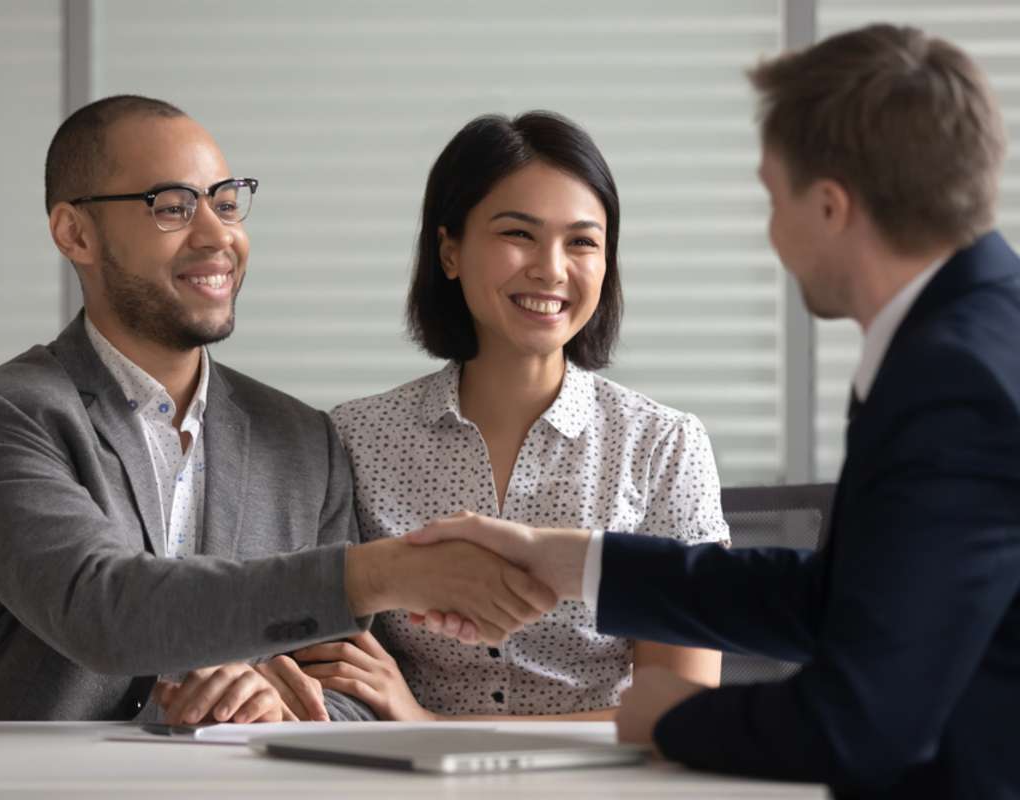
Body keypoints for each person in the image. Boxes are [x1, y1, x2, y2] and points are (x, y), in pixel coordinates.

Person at [407, 24, 1020, 799]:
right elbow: (853, 598)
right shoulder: (974, 340)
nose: (771, 232)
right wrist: (571, 562)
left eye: (772, 196)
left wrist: (672, 718)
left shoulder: (956, 380)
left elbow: (859, 725)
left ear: (830, 207)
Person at [0, 94, 556, 722]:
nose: (217, 233)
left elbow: (357, 688)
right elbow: (103, 609)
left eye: (226, 203)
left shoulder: (303, 439)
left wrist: (281, 703)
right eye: (172, 206)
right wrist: (380, 573)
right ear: (75, 233)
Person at [272, 112, 728, 723]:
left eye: (583, 241)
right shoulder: (354, 438)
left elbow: (681, 707)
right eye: (519, 234)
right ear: (450, 251)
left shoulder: (665, 445)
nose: (551, 268)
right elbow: (323, 659)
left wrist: (436, 730)